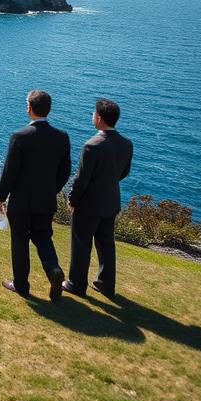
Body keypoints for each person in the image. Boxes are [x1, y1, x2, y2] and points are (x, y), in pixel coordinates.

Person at [0, 90, 71, 302]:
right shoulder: (62, 137)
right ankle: (54, 269)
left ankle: (21, 284)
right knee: (43, 236)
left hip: (21, 202)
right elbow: (65, 171)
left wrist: (0, 198)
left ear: (29, 108)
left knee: (20, 241)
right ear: (48, 109)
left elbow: (9, 172)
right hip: (46, 201)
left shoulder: (20, 136)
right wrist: (51, 190)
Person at [63, 99, 133, 299]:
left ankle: (76, 284)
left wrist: (72, 200)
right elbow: (124, 172)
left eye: (93, 113)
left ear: (99, 118)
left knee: (81, 244)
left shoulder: (91, 145)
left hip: (89, 205)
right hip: (111, 201)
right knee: (106, 245)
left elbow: (81, 179)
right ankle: (105, 285)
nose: (92, 116)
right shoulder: (127, 144)